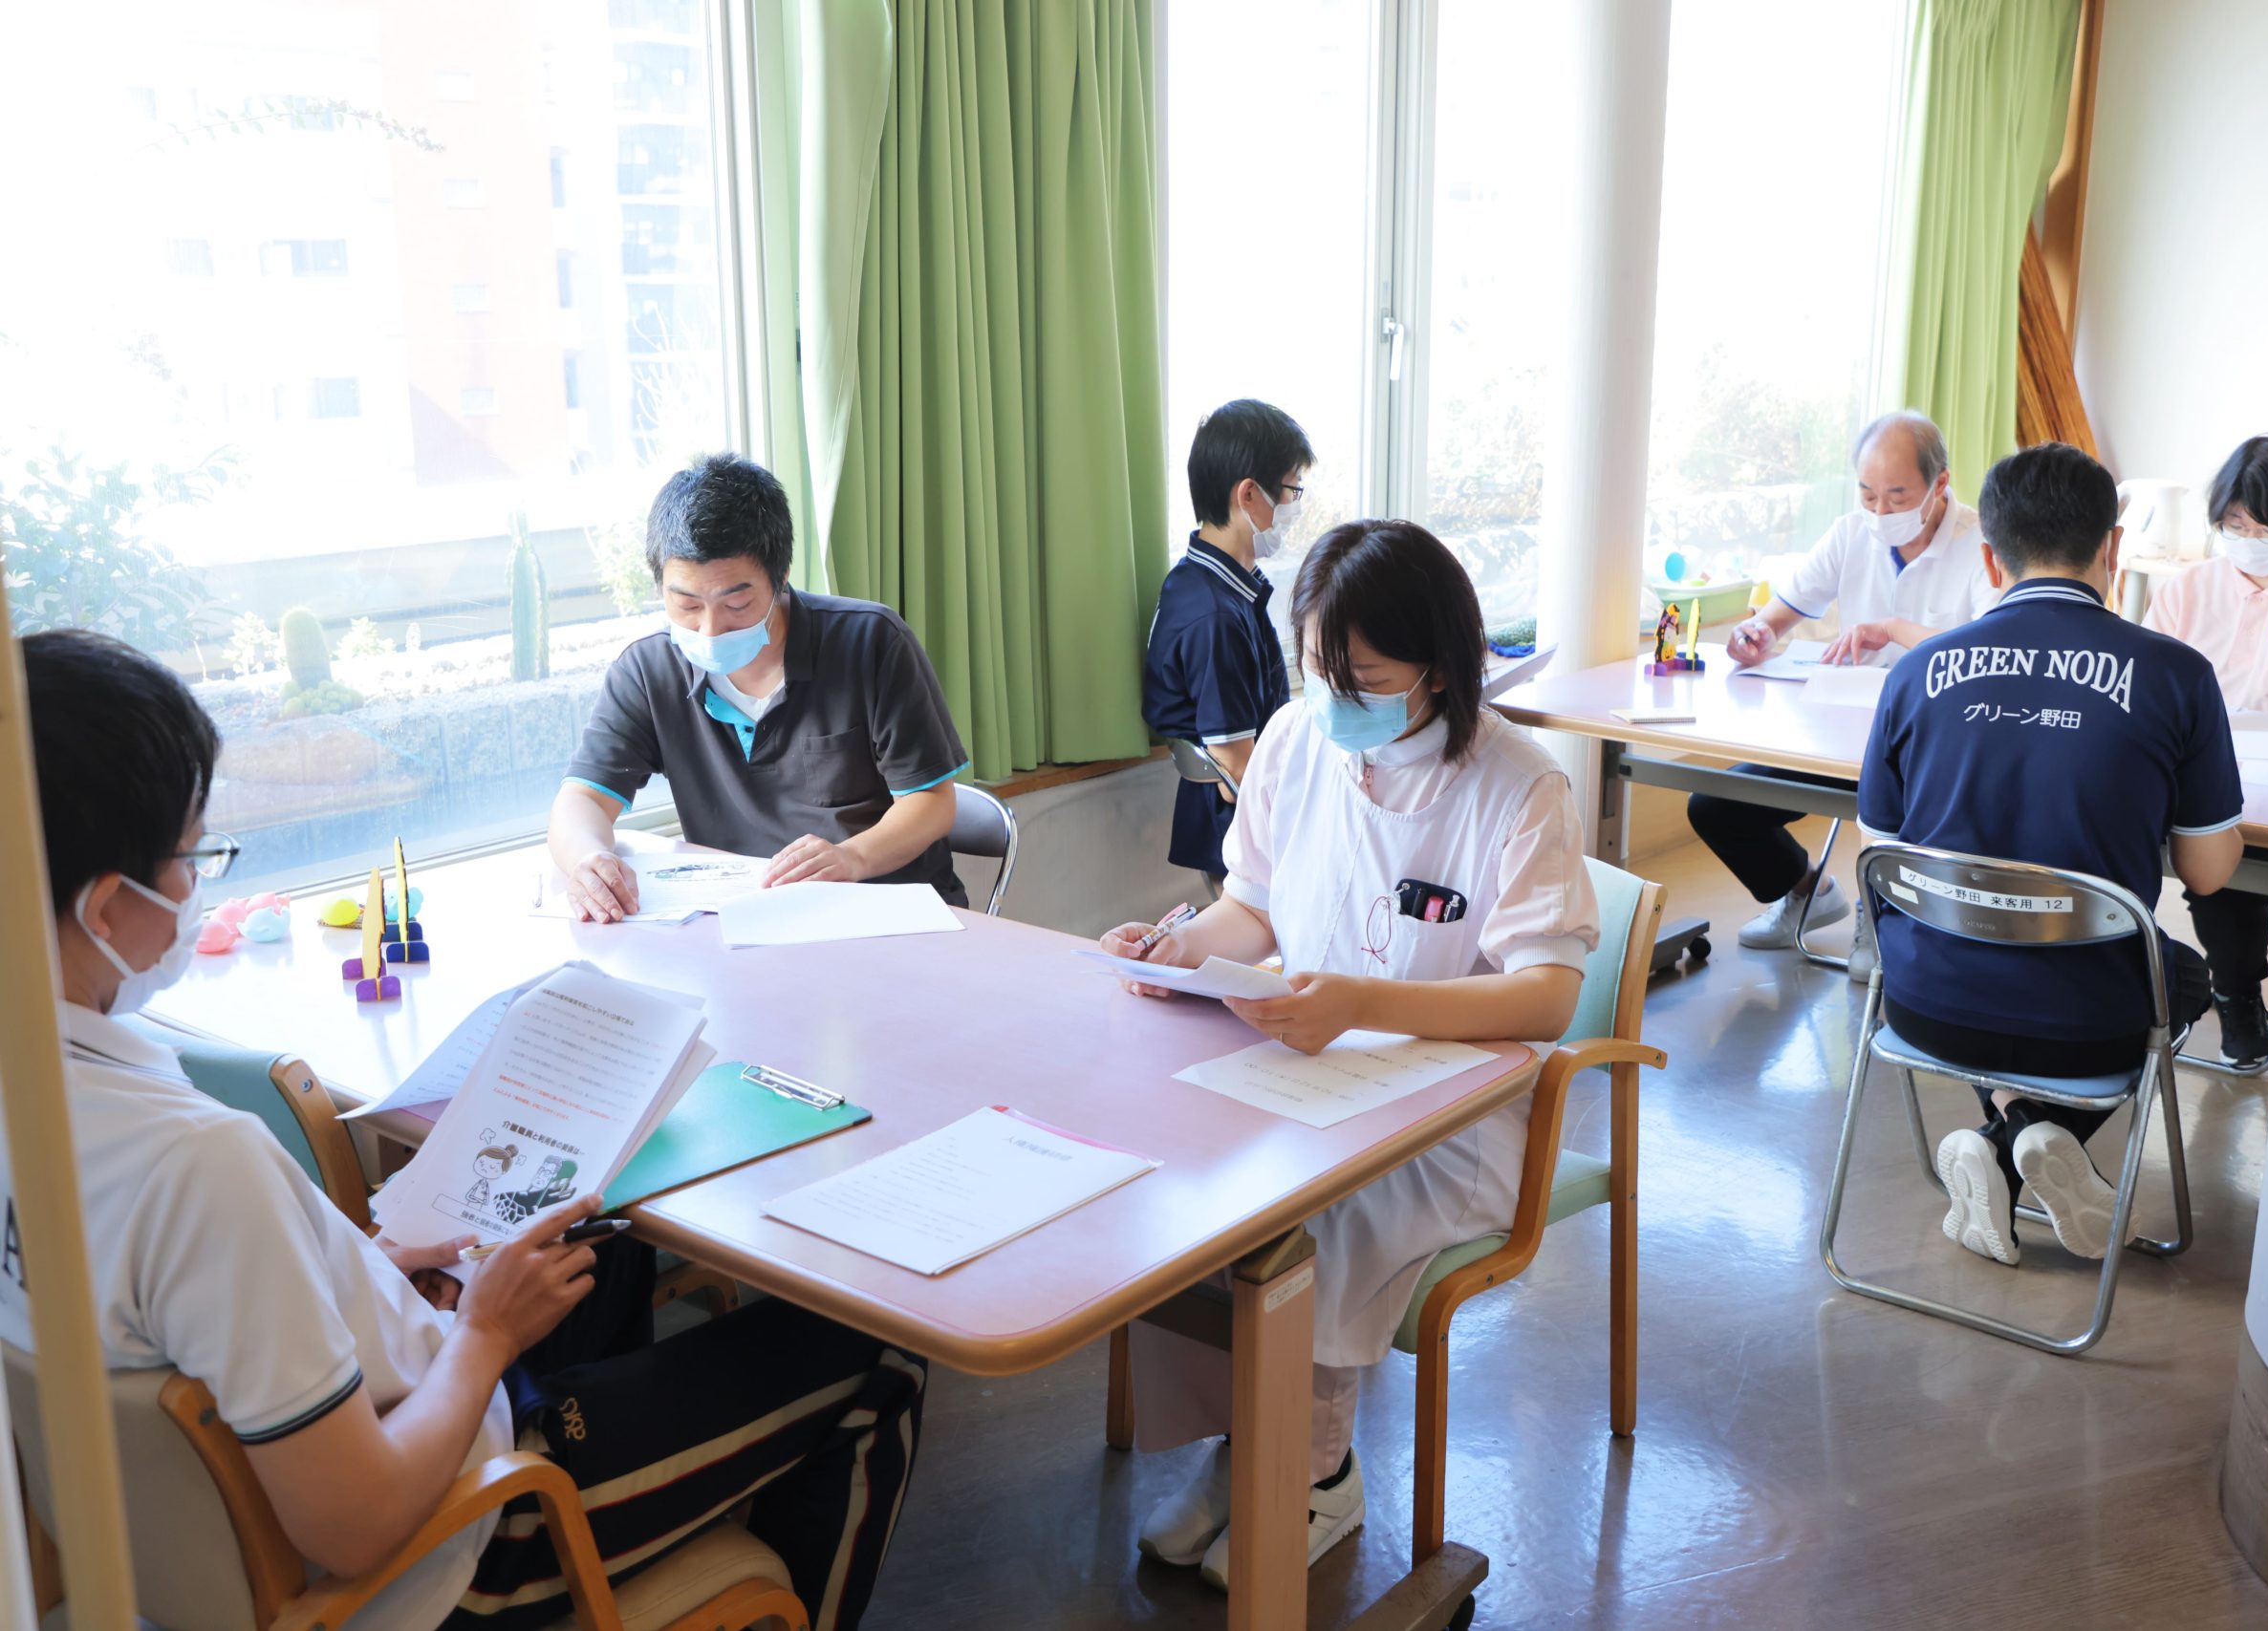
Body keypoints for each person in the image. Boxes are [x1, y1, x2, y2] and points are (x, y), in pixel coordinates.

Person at [4, 629, 926, 1630]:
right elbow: (354, 1527)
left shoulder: (54, 1113)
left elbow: (177, 1313)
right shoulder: (195, 1164)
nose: (198, 888)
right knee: (873, 1356)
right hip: (457, 1545)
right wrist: (482, 1336)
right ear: (104, 907)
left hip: (201, 1547)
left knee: (592, 1247)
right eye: (189, 858)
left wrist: (359, 1267)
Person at [1099, 520, 1600, 1589]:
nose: (1335, 699)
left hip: (1452, 1108)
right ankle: (1243, 1447)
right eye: (1319, 670)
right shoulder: (1294, 741)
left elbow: (1549, 996)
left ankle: (1314, 1474)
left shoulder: (1519, 785)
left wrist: (1367, 1001)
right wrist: (1179, 949)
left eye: (1362, 677)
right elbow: (1252, 906)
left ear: (1440, 666)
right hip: (1305, 1067)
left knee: (1314, 1213)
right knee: (1179, 1176)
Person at [1856, 443, 2242, 1267]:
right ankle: (2039, 1132)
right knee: (2187, 975)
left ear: (1990, 555)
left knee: (1986, 943)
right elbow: (2207, 873)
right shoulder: (2176, 675)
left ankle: (2003, 1144)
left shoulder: (1917, 670)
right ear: (2112, 545)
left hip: (1922, 1005)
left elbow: (1879, 848)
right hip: (2085, 1030)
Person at [550, 453, 971, 921]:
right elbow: (584, 798)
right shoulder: (649, 672)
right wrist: (586, 860)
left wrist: (852, 857)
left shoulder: (870, 642)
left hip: (885, 912)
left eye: (737, 603)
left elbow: (932, 802)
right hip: (746, 919)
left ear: (780, 577)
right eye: (686, 604)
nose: (711, 630)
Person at [1699, 411, 1994, 980]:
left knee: (1892, 813)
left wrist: (1892, 628)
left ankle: (1879, 914)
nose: (1880, 512)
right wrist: (1755, 635)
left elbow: (1988, 647)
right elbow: (1777, 618)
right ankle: (1810, 893)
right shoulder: (1850, 533)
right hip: (1846, 736)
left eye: (1897, 496)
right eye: (1868, 495)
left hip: (1933, 750)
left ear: (1939, 485)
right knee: (1718, 804)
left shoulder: (1981, 542)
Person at [2140, 435, 2268, 1064]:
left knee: (2222, 861)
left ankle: (2236, 995)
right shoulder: (2187, 590)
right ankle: (2136, 987)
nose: (2247, 536)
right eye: (2233, 522)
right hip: (2187, 774)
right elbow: (2144, 695)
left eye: (2265, 525)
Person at [1142, 399, 1312, 883]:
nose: (1296, 506)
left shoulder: (1208, 581)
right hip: (1242, 833)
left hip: (1249, 814)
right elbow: (1235, 768)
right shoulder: (1212, 616)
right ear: (1249, 495)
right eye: (1293, 489)